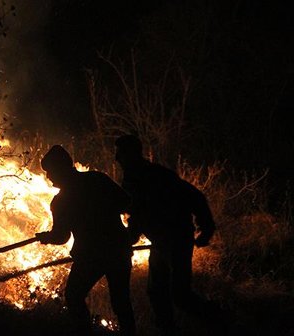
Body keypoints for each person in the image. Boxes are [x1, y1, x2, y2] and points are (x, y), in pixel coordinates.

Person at [114, 134, 217, 334]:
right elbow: (138, 215)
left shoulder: (158, 175)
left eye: (120, 153)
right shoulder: (131, 179)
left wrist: (206, 227)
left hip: (177, 238)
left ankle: (219, 320)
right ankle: (167, 329)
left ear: (132, 154)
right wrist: (127, 238)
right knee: (156, 291)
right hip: (160, 242)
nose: (116, 158)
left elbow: (193, 196)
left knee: (180, 295)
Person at [35, 145, 136, 336]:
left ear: (61, 168)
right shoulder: (96, 178)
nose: (49, 177)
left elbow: (61, 237)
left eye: (50, 171)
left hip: (91, 256)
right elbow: (125, 201)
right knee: (121, 301)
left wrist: (47, 237)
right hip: (118, 250)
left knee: (74, 296)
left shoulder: (61, 201)